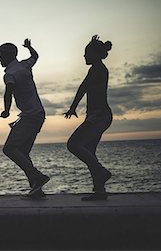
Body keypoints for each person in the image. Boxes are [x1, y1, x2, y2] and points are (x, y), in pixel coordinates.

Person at [0, 38, 50, 199]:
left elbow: (8, 92)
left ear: (7, 56)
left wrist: (6, 110)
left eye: (0, 55)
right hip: (38, 114)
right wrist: (29, 47)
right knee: (23, 152)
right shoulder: (24, 65)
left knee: (10, 149)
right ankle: (36, 190)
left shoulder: (10, 74)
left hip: (30, 116)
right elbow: (35, 56)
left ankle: (37, 176)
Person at [64, 35, 113, 201]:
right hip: (99, 116)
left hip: (99, 116)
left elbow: (83, 87)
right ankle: (100, 191)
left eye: (87, 53)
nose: (84, 56)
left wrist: (72, 107)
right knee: (90, 151)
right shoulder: (99, 68)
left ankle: (100, 172)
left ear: (95, 54)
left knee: (73, 144)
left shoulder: (97, 69)